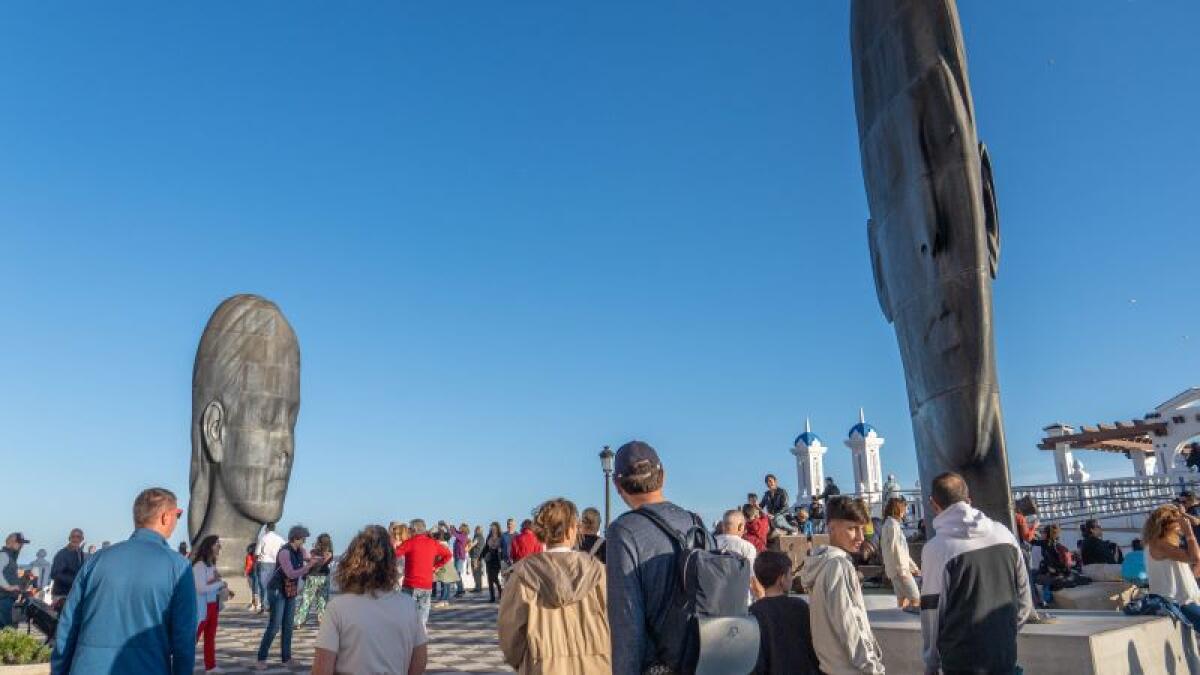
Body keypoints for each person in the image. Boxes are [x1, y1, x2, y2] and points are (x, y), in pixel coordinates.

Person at [51, 488, 197, 674]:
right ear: (165, 517)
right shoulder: (178, 567)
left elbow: (68, 624)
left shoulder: (96, 560)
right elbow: (184, 639)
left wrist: (59, 670)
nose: (177, 521)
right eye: (178, 515)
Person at [605, 440, 715, 675]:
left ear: (617, 485)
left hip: (660, 665)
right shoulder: (695, 522)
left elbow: (627, 620)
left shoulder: (623, 531)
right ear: (662, 475)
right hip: (705, 657)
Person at [919, 472, 1031, 675]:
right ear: (969, 500)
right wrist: (1004, 635)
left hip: (960, 662)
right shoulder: (1004, 534)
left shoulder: (936, 549)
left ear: (933, 504)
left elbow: (932, 611)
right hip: (1005, 657)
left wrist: (931, 664)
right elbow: (1024, 597)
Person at [499, 497, 611, 674]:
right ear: (572, 530)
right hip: (595, 664)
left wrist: (521, 661)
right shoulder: (598, 573)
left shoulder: (523, 574)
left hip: (542, 665)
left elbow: (510, 630)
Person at [312, 525, 428, 675]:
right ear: (390, 563)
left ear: (351, 561)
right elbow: (420, 659)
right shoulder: (408, 605)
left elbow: (322, 668)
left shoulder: (337, 608)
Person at [800, 496, 885, 675]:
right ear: (831, 527)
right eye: (852, 528)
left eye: (862, 529)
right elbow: (851, 626)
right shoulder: (839, 566)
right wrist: (873, 668)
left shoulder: (821, 565)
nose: (861, 537)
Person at [256, 525, 329, 669]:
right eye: (303, 539)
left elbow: (310, 558)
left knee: (288, 626)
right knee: (275, 625)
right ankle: (261, 658)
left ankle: (286, 658)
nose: (304, 542)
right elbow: (290, 573)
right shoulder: (284, 552)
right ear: (295, 538)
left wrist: (319, 559)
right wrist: (308, 567)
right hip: (277, 590)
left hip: (290, 590)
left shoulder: (300, 550)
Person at [749, 551, 820, 674]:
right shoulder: (800, 607)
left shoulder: (753, 612)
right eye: (789, 574)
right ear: (781, 579)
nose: (791, 578)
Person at [1143, 504, 1200, 630]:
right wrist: (1189, 533)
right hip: (1179, 602)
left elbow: (1191, 567)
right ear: (1166, 524)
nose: (1181, 523)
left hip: (1185, 601)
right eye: (1177, 521)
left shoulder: (1162, 544)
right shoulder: (1159, 544)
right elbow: (1195, 558)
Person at [395, 519, 451, 627]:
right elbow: (448, 554)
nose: (409, 532)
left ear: (414, 530)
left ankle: (409, 641)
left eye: (410, 529)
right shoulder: (433, 543)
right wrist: (435, 566)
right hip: (426, 586)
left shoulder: (410, 543)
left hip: (410, 586)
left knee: (407, 620)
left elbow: (394, 553)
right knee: (422, 621)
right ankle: (421, 640)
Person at [191, 535, 229, 674]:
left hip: (213, 605)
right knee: (193, 639)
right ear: (209, 546)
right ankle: (181, 667)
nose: (219, 547)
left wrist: (222, 587)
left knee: (210, 638)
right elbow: (201, 588)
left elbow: (210, 584)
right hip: (202, 607)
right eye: (216, 544)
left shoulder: (211, 565)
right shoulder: (199, 566)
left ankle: (211, 666)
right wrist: (219, 583)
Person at [879, 497, 920, 611]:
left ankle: (901, 623)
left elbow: (899, 550)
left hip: (894, 570)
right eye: (904, 508)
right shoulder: (892, 525)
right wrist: (903, 571)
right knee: (915, 598)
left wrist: (914, 567)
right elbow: (896, 549)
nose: (905, 511)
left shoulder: (889, 524)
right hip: (900, 571)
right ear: (898, 509)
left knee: (902, 599)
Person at [715, 509, 759, 602]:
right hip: (739, 605)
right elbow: (751, 580)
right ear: (741, 527)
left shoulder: (710, 542)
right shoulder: (746, 547)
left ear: (723, 526)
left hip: (712, 603)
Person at [295, 533, 334, 628]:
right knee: (322, 600)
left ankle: (299, 621)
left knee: (306, 600)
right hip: (323, 577)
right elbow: (324, 561)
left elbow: (311, 561)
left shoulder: (313, 552)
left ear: (319, 542)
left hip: (312, 577)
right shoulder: (329, 553)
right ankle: (322, 620)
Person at [1, 532, 32, 630]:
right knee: (5, 628)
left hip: (7, 598)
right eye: (20, 543)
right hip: (3, 598)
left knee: (7, 627)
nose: (22, 546)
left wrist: (24, 578)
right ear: (11, 542)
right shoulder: (4, 555)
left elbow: (9, 576)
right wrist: (8, 587)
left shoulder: (10, 557)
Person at [50, 529, 86, 610]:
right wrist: (75, 581)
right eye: (73, 537)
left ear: (82, 539)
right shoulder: (62, 554)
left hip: (73, 594)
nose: (75, 539)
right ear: (69, 538)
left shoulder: (80, 554)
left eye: (78, 537)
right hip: (62, 595)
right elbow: (54, 574)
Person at [255, 523, 285, 614]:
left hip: (264, 562)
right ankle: (272, 605)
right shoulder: (279, 538)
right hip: (275, 563)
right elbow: (285, 547)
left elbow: (257, 553)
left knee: (263, 585)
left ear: (267, 528)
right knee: (273, 586)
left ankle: (263, 606)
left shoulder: (263, 538)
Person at [433, 533, 459, 608]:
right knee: (447, 584)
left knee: (444, 583)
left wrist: (436, 566)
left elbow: (439, 557)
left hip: (443, 566)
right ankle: (446, 600)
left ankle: (442, 600)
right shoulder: (446, 544)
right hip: (449, 565)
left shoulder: (440, 545)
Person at [482, 522, 505, 602]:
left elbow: (503, 547)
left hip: (497, 558)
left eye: (494, 528)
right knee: (490, 579)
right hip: (489, 559)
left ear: (497, 528)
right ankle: (492, 597)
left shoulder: (501, 536)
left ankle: (500, 592)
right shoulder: (489, 536)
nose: (493, 530)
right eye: (491, 528)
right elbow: (486, 547)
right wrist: (480, 557)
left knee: (494, 577)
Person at [453, 524, 470, 597]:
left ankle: (460, 590)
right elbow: (456, 532)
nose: (459, 528)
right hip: (457, 557)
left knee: (457, 574)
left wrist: (451, 529)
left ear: (464, 529)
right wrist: (453, 528)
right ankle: (460, 589)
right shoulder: (461, 535)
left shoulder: (463, 536)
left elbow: (455, 534)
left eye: (460, 527)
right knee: (457, 574)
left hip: (460, 557)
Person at [245, 543, 263, 612]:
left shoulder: (249, 556)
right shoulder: (258, 557)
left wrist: (246, 572)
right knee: (256, 589)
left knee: (254, 590)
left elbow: (248, 565)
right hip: (254, 574)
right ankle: (257, 604)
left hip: (251, 574)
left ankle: (255, 604)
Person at [469, 525, 485, 592]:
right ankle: (478, 587)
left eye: (476, 529)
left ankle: (478, 588)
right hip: (479, 557)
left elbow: (473, 544)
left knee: (476, 573)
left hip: (475, 557)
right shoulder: (482, 538)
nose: (474, 531)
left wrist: (468, 545)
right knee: (478, 573)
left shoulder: (478, 536)